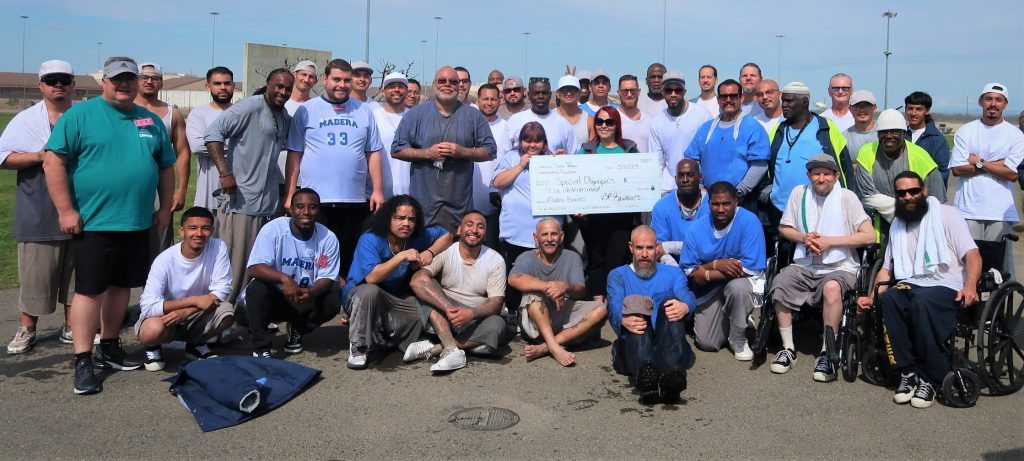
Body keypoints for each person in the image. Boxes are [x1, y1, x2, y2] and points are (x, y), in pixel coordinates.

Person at [43, 56, 176, 394]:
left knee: (121, 287)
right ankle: (83, 359)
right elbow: (54, 160)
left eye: (129, 79)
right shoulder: (79, 116)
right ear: (105, 81)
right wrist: (66, 210)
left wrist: (164, 207)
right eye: (117, 79)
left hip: (136, 221)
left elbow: (164, 166)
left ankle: (110, 345)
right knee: (89, 291)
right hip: (94, 221)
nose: (124, 84)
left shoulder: (150, 120)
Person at [857, 171, 981, 409]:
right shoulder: (897, 224)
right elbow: (886, 270)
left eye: (913, 191)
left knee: (921, 302)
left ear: (924, 191)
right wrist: (872, 297)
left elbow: (972, 255)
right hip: (913, 282)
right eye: (902, 193)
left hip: (947, 283)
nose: (908, 197)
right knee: (891, 298)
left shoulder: (947, 214)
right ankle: (907, 372)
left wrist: (971, 286)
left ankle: (931, 377)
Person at [768, 155, 874, 380]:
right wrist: (804, 238)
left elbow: (870, 236)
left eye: (827, 173)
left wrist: (829, 241)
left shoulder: (847, 197)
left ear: (836, 176)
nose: (821, 178)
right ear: (809, 176)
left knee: (832, 289)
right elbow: (785, 228)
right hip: (806, 264)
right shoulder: (799, 193)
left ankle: (828, 351)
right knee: (780, 281)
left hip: (841, 266)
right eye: (816, 173)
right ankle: (788, 348)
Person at [2, 60, 77, 354]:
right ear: (41, 85)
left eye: (64, 80)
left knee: (77, 274)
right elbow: (4, 158)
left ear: (72, 84)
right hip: (38, 209)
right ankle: (27, 328)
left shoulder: (83, 115)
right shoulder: (26, 119)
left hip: (83, 207)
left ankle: (72, 326)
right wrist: (38, 156)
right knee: (36, 274)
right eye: (51, 80)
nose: (58, 85)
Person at [284, 58, 384, 277]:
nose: (342, 85)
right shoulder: (306, 110)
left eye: (347, 80)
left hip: (354, 198)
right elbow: (295, 154)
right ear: (325, 79)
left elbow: (373, 153)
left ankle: (345, 297)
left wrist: (377, 190)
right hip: (316, 199)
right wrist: (291, 192)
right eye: (336, 79)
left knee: (348, 253)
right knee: (315, 254)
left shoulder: (364, 111)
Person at [205, 68, 294, 303]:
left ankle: (248, 315)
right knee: (236, 265)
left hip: (268, 203)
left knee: (261, 265)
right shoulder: (251, 106)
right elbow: (213, 133)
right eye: (279, 86)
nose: (283, 92)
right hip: (241, 201)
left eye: (288, 88)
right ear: (268, 84)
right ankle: (221, 317)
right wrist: (225, 173)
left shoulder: (284, 117)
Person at [343, 195, 452, 369]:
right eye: (400, 218)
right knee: (370, 291)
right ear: (388, 219)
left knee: (422, 311)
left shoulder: (417, 236)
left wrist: (429, 253)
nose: (406, 223)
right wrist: (402, 256)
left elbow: (446, 235)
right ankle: (358, 346)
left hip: (394, 297)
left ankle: (389, 340)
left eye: (411, 219)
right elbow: (372, 277)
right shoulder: (370, 238)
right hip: (360, 294)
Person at [391, 66, 497, 232]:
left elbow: (490, 151)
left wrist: (462, 152)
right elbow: (396, 149)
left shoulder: (473, 115)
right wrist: (427, 153)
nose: (447, 85)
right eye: (442, 81)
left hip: (460, 210)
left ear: (459, 85)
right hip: (423, 210)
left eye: (453, 81)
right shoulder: (416, 114)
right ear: (434, 84)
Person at [244, 188, 342, 358]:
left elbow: (327, 276)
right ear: (291, 209)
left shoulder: (328, 237)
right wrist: (284, 279)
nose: (306, 212)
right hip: (276, 295)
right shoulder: (274, 229)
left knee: (333, 296)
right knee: (256, 288)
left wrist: (312, 293)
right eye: (300, 206)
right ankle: (260, 348)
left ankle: (297, 328)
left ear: (318, 210)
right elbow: (254, 267)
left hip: (304, 297)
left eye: (312, 207)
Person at [136, 207, 234, 371]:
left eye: (206, 228)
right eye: (193, 228)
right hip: (166, 317)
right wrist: (194, 301)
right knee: (151, 331)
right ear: (181, 231)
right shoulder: (164, 260)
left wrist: (187, 311)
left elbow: (222, 289)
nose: (199, 233)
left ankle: (195, 344)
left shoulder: (218, 247)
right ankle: (153, 346)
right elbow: (148, 306)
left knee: (227, 312)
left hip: (197, 313)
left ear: (212, 230)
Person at [409, 211, 508, 373]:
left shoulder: (495, 259)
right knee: (425, 286)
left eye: (480, 226)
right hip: (444, 315)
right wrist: (449, 308)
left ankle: (440, 347)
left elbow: (496, 304)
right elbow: (417, 280)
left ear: (485, 234)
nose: (474, 230)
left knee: (498, 325)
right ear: (459, 230)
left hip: (475, 319)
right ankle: (452, 349)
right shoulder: (448, 252)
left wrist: (470, 313)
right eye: (469, 224)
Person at [607, 225, 694, 403]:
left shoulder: (673, 272)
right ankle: (647, 377)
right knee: (635, 304)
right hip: (636, 343)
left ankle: (671, 374)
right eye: (639, 248)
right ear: (631, 248)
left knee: (672, 302)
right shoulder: (617, 275)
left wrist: (685, 307)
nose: (645, 254)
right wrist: (623, 320)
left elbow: (688, 296)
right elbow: (614, 305)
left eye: (649, 248)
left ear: (657, 248)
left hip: (667, 342)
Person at [680, 182, 766, 361]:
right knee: (708, 343)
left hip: (740, 282)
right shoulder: (696, 229)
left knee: (739, 288)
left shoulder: (750, 222)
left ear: (736, 202)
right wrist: (717, 265)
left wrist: (706, 272)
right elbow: (690, 270)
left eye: (726, 204)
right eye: (715, 204)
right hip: (708, 289)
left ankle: (738, 337)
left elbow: (749, 268)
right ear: (708, 203)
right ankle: (738, 318)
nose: (720, 209)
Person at [509, 218, 608, 366]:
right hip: (536, 322)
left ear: (561, 236)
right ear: (536, 238)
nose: (549, 239)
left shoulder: (572, 257)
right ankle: (555, 348)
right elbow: (513, 279)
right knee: (532, 296)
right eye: (544, 235)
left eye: (554, 234)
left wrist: (565, 287)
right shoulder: (526, 257)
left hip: (563, 315)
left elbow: (580, 291)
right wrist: (548, 287)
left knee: (601, 310)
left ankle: (546, 347)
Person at [949, 83, 1024, 276]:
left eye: (998, 100)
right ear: (981, 102)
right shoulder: (966, 131)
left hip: (1000, 213)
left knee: (999, 269)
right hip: (968, 210)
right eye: (989, 99)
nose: (993, 104)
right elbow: (957, 169)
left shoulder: (1015, 135)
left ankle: (999, 304)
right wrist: (997, 165)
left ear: (1005, 104)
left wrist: (979, 162)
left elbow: (1012, 174)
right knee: (967, 265)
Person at [493, 122, 565, 321]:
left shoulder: (552, 159)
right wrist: (520, 166)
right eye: (527, 140)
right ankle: (514, 312)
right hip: (516, 232)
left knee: (547, 274)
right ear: (520, 142)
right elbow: (498, 182)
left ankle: (546, 314)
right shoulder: (511, 157)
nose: (532, 145)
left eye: (537, 141)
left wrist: (563, 163)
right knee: (517, 275)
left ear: (544, 143)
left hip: (547, 232)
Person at [760, 82, 856, 229]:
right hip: (780, 211)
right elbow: (767, 170)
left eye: (789, 101)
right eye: (783, 100)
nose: (784, 104)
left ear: (804, 101)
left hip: (819, 210)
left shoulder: (826, 129)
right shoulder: (777, 131)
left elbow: (845, 168)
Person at [576, 108, 640, 302]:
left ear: (616, 125)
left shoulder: (629, 149)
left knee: (616, 260)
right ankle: (597, 303)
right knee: (595, 260)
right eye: (600, 121)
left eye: (609, 122)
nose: (604, 126)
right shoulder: (586, 149)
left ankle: (614, 300)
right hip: (593, 218)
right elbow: (575, 181)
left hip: (620, 217)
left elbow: (640, 180)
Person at [856, 109, 945, 235]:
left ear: (904, 133)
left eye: (895, 131)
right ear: (877, 134)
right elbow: (866, 195)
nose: (889, 136)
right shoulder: (866, 152)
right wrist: (904, 209)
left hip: (917, 229)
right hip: (878, 230)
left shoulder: (921, 158)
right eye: (884, 132)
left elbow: (936, 201)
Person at [135, 62, 191, 257]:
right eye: (144, 77)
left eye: (155, 78)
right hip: (129, 188)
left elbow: (183, 152)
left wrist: (181, 190)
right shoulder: (124, 110)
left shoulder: (172, 114)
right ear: (137, 80)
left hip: (160, 188)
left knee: (160, 242)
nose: (149, 81)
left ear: (161, 83)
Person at [684, 78, 769, 205]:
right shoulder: (706, 128)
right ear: (718, 100)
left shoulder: (752, 127)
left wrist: (739, 191)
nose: (728, 100)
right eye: (724, 97)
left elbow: (759, 165)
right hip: (708, 199)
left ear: (741, 98)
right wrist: (700, 186)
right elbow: (692, 159)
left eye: (733, 96)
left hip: (741, 200)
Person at [649, 71, 713, 194]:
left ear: (684, 92)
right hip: (668, 189)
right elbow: (657, 163)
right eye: (668, 90)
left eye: (678, 90)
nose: (673, 94)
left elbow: (709, 155)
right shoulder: (657, 122)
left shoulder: (703, 115)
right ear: (663, 92)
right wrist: (654, 191)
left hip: (697, 188)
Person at [186, 66, 236, 211]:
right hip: (208, 183)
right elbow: (197, 146)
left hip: (239, 181)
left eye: (227, 83)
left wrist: (215, 144)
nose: (223, 87)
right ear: (208, 86)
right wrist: (236, 145)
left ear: (233, 85)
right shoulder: (198, 114)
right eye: (217, 84)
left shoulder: (242, 113)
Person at [651, 159, 711, 265]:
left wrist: (670, 246)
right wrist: (676, 271)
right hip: (672, 267)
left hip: (706, 267)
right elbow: (658, 248)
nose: (685, 179)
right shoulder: (661, 207)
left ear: (700, 177)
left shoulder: (713, 205)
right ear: (675, 179)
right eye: (680, 175)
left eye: (690, 175)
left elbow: (708, 247)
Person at [502, 77, 578, 156]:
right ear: (528, 95)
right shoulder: (515, 120)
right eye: (535, 93)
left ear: (550, 95)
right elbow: (504, 155)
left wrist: (564, 158)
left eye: (544, 93)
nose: (540, 96)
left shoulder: (563, 124)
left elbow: (573, 156)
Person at [472, 84, 506, 249]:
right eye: (485, 99)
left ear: (500, 101)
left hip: (496, 202)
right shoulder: (468, 124)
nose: (489, 103)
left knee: (493, 251)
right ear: (477, 101)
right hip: (468, 201)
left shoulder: (507, 127)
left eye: (493, 99)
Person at [372, 72, 411, 199]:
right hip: (378, 195)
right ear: (383, 91)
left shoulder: (415, 116)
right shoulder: (373, 116)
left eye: (401, 86)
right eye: (391, 86)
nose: (396, 90)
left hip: (409, 193)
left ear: (406, 91)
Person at [904, 91, 951, 184]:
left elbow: (943, 173)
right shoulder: (900, 136)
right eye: (910, 108)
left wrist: (920, 188)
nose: (913, 113)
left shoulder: (937, 140)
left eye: (918, 109)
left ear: (927, 111)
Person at [554, 75, 591, 147]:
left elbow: (593, 151)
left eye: (573, 90)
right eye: (564, 90)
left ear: (580, 93)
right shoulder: (549, 117)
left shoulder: (589, 120)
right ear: (557, 94)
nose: (569, 93)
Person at [617, 75, 650, 152]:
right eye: (625, 91)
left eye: (633, 91)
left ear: (638, 92)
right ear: (618, 93)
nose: (629, 95)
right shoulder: (611, 121)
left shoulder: (649, 121)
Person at [843, 90, 878, 160]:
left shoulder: (884, 133)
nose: (862, 110)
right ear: (850, 109)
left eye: (867, 106)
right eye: (857, 106)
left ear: (874, 108)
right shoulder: (843, 137)